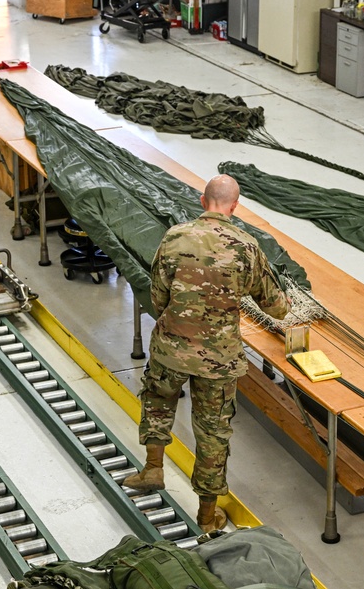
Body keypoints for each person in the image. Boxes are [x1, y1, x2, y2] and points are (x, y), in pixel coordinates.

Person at [123, 174, 290, 533]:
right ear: (234, 205)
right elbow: (277, 308)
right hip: (219, 357)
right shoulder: (246, 246)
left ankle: (152, 468)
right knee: (213, 431)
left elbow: (158, 296)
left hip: (171, 347)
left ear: (203, 201)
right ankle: (207, 514)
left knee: (157, 399)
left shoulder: (174, 237)